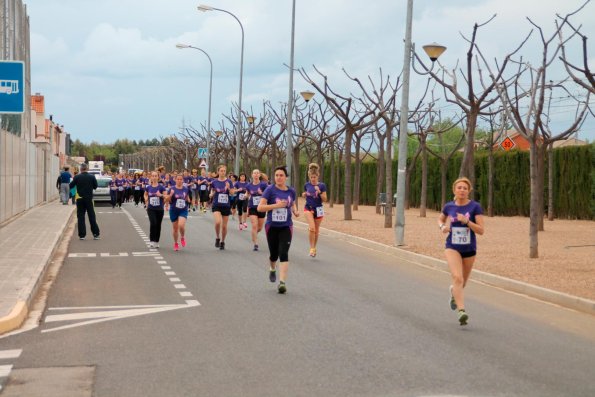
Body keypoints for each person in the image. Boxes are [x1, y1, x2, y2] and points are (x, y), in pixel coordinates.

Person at [438, 177, 485, 326]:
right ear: (454, 190)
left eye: (465, 188)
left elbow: (481, 230)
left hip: (469, 249)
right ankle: (461, 312)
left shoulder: (475, 207)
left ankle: (453, 293)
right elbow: (440, 219)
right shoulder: (449, 206)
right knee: (457, 277)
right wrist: (442, 227)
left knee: (462, 282)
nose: (462, 190)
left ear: (469, 191)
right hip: (452, 246)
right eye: (459, 187)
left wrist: (467, 222)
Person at [257, 166, 299, 294]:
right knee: (274, 254)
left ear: (286, 177)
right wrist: (276, 205)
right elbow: (260, 208)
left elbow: (292, 203)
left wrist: (295, 211)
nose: (279, 177)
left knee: (283, 253)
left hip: (286, 226)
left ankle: (282, 283)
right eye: (276, 175)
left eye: (281, 175)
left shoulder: (291, 191)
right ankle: (272, 268)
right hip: (272, 226)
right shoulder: (270, 190)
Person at [302, 163, 328, 257]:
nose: (313, 179)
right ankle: (312, 248)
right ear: (309, 176)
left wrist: (319, 192)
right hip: (308, 208)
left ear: (318, 176)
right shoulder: (306, 185)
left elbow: (325, 199)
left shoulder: (322, 185)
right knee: (312, 228)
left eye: (314, 177)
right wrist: (304, 194)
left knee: (316, 230)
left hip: (319, 209)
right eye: (311, 177)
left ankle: (313, 247)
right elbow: (306, 194)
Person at [69, 163, 100, 240]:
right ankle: (96, 234)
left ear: (81, 169)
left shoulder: (77, 177)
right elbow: (95, 186)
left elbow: (71, 186)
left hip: (80, 198)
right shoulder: (92, 177)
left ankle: (82, 235)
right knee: (92, 216)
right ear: (87, 168)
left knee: (80, 217)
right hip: (89, 199)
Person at [210, 165, 235, 250]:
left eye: (224, 171)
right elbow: (211, 192)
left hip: (226, 205)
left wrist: (228, 188)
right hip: (216, 204)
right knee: (217, 222)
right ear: (218, 172)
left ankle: (223, 241)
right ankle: (217, 237)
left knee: (224, 226)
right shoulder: (214, 182)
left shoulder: (229, 182)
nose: (223, 172)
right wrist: (211, 194)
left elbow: (232, 193)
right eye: (221, 171)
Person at [166, 174, 191, 251]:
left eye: (181, 179)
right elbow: (168, 200)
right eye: (178, 179)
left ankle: (182, 237)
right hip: (173, 210)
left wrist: (189, 201)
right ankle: (176, 243)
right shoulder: (171, 189)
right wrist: (171, 195)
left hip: (183, 210)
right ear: (175, 180)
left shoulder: (186, 189)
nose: (179, 181)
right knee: (175, 228)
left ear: (183, 180)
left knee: (181, 225)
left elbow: (187, 198)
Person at [246, 169, 268, 251]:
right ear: (252, 175)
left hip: (262, 207)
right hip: (252, 207)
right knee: (254, 225)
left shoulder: (264, 185)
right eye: (254, 173)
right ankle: (255, 244)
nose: (255, 174)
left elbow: (267, 195)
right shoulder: (249, 185)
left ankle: (254, 234)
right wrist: (245, 196)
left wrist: (261, 193)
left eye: (257, 173)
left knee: (259, 228)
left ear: (259, 175)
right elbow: (247, 193)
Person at [145, 171, 166, 248]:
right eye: (152, 176)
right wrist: (146, 199)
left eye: (155, 176)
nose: (154, 177)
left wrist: (160, 195)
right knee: (153, 223)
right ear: (151, 177)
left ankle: (157, 241)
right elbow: (145, 194)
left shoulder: (161, 187)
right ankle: (151, 240)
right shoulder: (148, 187)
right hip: (151, 208)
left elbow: (166, 196)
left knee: (158, 225)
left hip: (159, 209)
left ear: (158, 177)